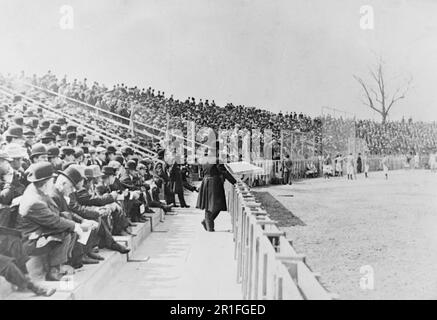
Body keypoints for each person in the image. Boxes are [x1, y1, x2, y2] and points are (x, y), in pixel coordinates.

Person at [16, 162, 90, 281]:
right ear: (45, 183)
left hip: (37, 231)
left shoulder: (36, 190)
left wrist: (71, 222)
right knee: (65, 232)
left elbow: (53, 215)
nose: (53, 182)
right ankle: (54, 271)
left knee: (66, 221)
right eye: (51, 180)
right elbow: (54, 221)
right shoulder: (35, 201)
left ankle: (60, 265)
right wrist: (75, 226)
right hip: (30, 240)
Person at [196, 162, 236, 232]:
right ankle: (209, 226)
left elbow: (202, 173)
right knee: (218, 205)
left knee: (208, 205)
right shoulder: (217, 160)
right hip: (214, 183)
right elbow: (224, 172)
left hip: (206, 181)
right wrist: (234, 182)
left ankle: (208, 224)